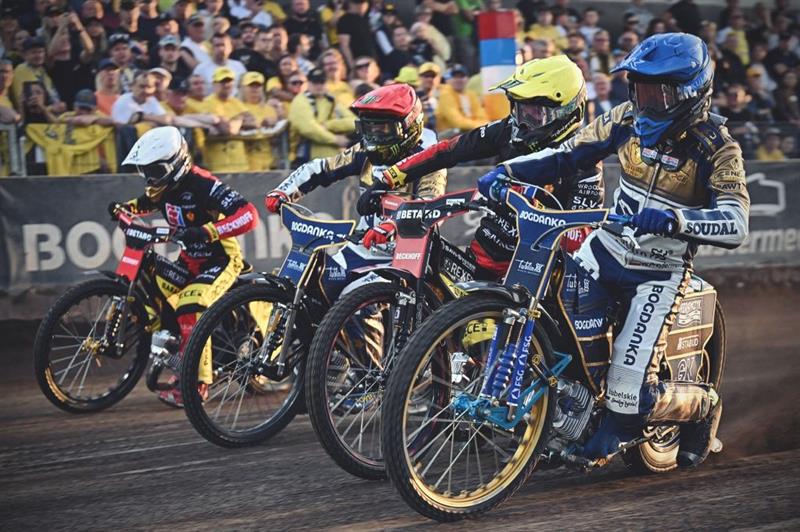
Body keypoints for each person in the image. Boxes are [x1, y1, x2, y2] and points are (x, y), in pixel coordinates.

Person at [478, 33, 749, 467]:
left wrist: (677, 220)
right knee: (550, 325)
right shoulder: (624, 119)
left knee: (627, 397)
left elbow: (736, 222)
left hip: (658, 271)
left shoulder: (717, 148)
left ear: (691, 93)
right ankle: (562, 413)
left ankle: (702, 404)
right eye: (639, 89)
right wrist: (507, 171)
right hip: (601, 250)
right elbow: (567, 155)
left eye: (659, 93)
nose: (645, 102)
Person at [375, 55, 602, 279]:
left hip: (540, 274)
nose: (523, 122)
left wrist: (536, 210)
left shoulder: (586, 161)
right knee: (428, 273)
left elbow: (581, 237)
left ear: (567, 113)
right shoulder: (508, 129)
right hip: (483, 259)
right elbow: (449, 150)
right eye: (520, 109)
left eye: (535, 113)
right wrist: (389, 178)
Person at [109, 126, 258, 407]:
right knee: (153, 276)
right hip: (189, 262)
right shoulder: (164, 187)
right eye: (145, 171)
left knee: (189, 305)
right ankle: (176, 350)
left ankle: (196, 386)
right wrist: (125, 208)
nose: (149, 178)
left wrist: (208, 231)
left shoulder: (203, 184)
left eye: (154, 170)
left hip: (221, 261)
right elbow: (147, 202)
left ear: (176, 163)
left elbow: (249, 215)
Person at [264, 83, 446, 286]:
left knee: (357, 293)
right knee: (317, 285)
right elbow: (322, 167)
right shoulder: (365, 150)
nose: (374, 136)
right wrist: (284, 190)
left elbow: (432, 205)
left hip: (408, 255)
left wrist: (393, 225)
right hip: (363, 246)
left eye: (382, 129)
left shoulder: (431, 157)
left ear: (408, 127)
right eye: (369, 128)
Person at [287, 67, 355, 164]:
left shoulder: (331, 100)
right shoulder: (300, 100)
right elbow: (308, 129)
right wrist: (335, 139)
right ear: (308, 83)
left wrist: (329, 125)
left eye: (322, 82)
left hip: (334, 155)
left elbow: (354, 122)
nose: (319, 86)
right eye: (315, 82)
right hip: (306, 155)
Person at [435, 64, 488, 135]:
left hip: (469, 131)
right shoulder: (445, 94)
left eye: (461, 77)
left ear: (467, 79)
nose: (458, 80)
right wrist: (480, 126)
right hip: (448, 135)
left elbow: (482, 116)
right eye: (455, 77)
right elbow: (457, 122)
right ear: (449, 80)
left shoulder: (471, 94)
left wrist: (482, 125)